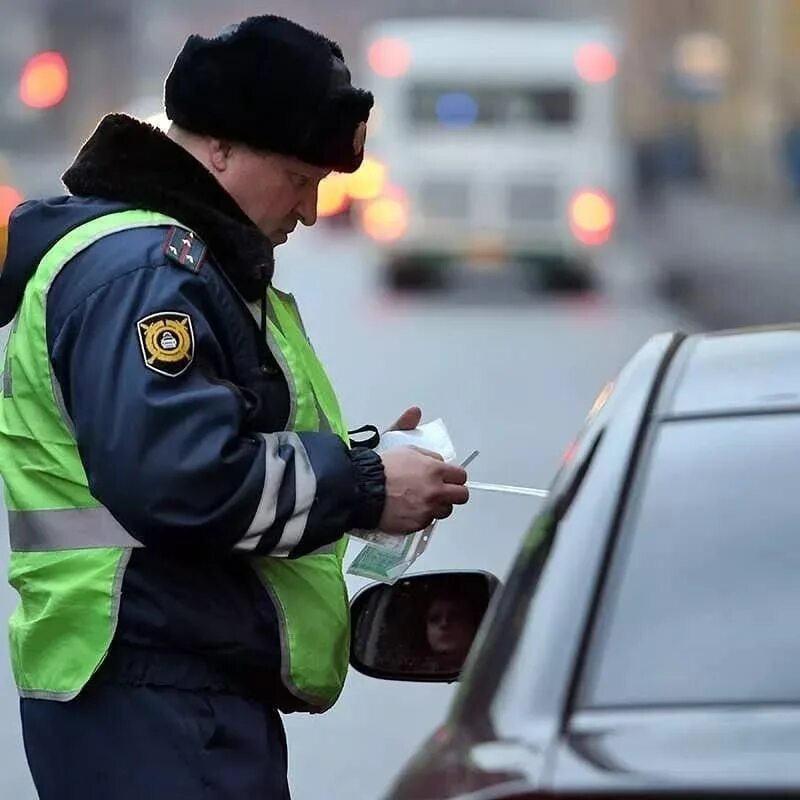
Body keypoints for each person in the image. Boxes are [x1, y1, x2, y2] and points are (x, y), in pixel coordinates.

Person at [0, 15, 469, 799]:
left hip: (165, 687)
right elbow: (182, 481)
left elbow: (220, 444)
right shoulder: (147, 276)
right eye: (299, 179)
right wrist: (365, 484)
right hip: (150, 692)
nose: (312, 212)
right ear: (218, 147)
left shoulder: (170, 262)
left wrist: (369, 462)